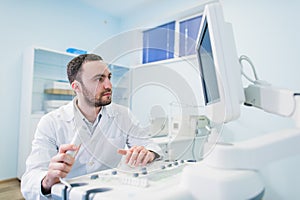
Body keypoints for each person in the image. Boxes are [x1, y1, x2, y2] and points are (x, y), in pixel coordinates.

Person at [21, 54, 163, 199]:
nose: (109, 85)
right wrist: (48, 179)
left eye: (109, 77)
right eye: (99, 79)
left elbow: (150, 145)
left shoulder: (123, 115)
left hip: (111, 194)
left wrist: (148, 153)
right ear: (77, 87)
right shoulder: (51, 122)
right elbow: (29, 181)